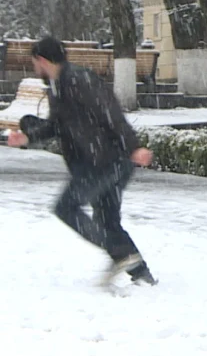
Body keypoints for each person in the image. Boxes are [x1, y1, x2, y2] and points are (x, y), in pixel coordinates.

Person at [7, 37, 156, 286]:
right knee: (108, 221)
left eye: (35, 63)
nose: (35, 69)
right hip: (105, 160)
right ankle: (141, 274)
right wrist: (27, 137)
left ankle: (120, 254)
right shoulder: (58, 85)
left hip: (104, 160)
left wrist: (134, 147)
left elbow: (111, 113)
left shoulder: (78, 80)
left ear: (42, 61)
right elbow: (57, 125)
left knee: (66, 207)